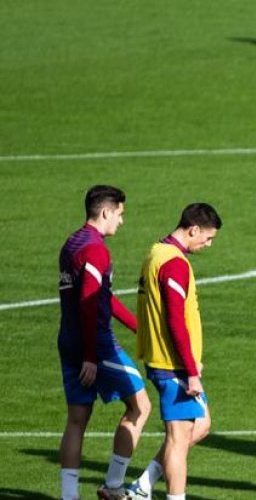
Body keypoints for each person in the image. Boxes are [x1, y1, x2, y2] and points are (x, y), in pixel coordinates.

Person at [57, 185, 151, 500]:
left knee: (76, 419)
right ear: (106, 211)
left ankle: (69, 496)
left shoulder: (72, 243)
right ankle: (113, 486)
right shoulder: (96, 250)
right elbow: (88, 301)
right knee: (140, 405)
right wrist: (91, 356)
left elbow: (103, 300)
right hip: (95, 346)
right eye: (120, 214)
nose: (121, 222)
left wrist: (141, 328)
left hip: (68, 341)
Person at [127, 203, 222, 500]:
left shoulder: (156, 252)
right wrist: (191, 370)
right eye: (207, 238)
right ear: (193, 229)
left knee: (202, 425)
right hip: (173, 365)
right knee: (178, 440)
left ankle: (143, 485)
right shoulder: (175, 264)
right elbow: (174, 319)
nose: (208, 245)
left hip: (168, 360)